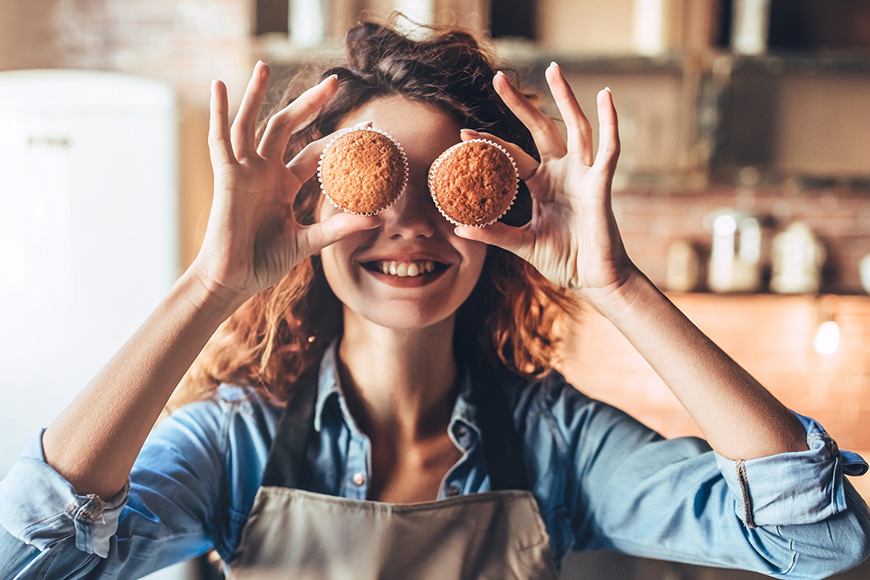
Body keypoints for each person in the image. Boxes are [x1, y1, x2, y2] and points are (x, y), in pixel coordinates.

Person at [1, 19, 869, 580]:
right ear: (308, 215)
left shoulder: (555, 444)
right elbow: (26, 561)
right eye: (372, 190)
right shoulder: (237, 442)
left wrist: (618, 285)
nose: (408, 225)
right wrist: (209, 287)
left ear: (495, 218)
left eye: (449, 194)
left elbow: (817, 540)